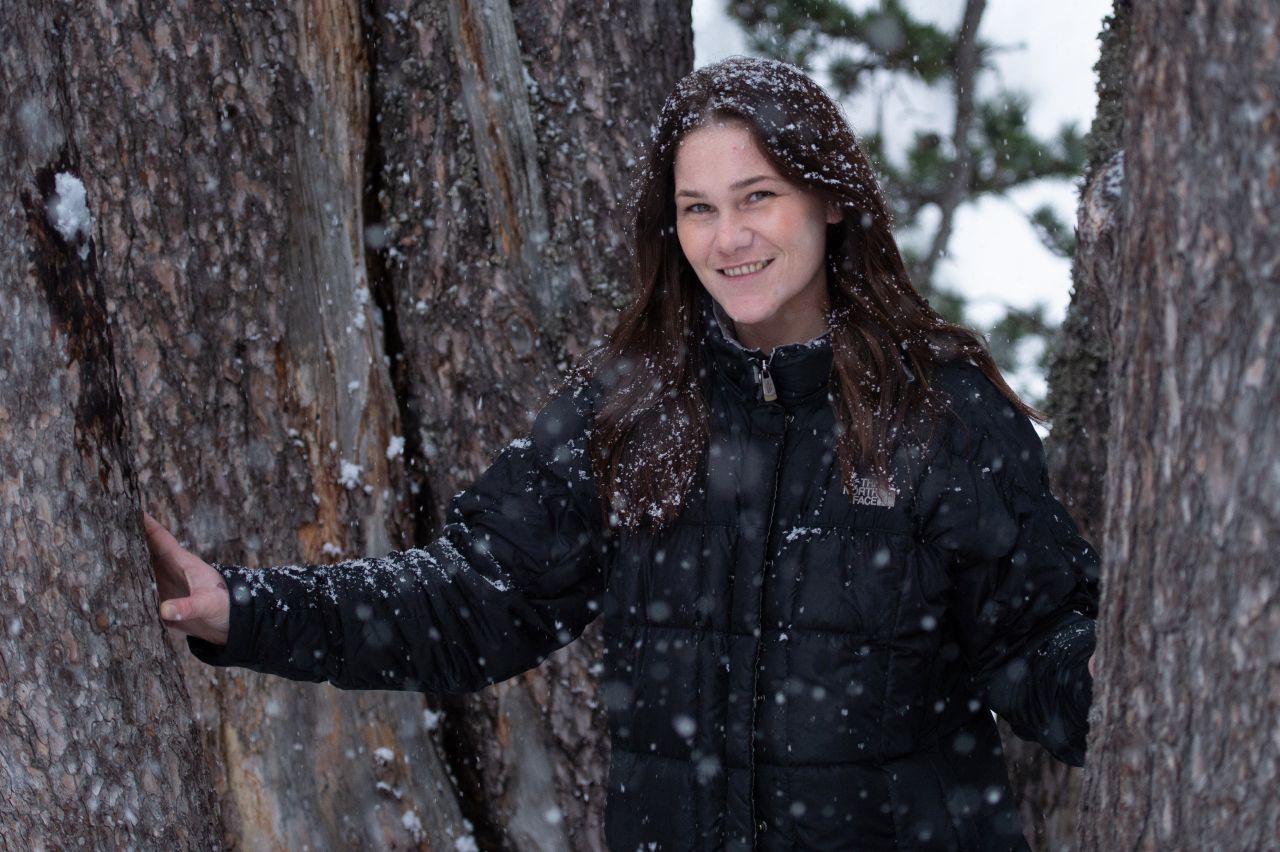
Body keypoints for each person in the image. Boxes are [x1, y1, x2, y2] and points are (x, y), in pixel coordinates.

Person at [148, 56, 1099, 851]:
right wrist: (245, 613)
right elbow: (474, 597)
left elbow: (1040, 646)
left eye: (757, 197)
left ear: (831, 201)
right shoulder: (637, 412)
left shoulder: (939, 417)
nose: (728, 239)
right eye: (697, 209)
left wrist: (1122, 677)